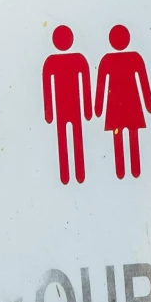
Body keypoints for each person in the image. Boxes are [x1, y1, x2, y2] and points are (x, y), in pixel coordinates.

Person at [93, 24, 151, 179]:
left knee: (120, 136)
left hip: (118, 105)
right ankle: (131, 170)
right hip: (129, 104)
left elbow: (101, 86)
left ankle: (126, 170)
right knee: (128, 136)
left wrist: (98, 108)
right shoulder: (133, 58)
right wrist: (148, 104)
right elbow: (143, 82)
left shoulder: (108, 60)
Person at [40, 26, 92, 185]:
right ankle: (70, 175)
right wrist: (88, 109)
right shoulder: (56, 62)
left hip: (67, 107)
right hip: (66, 107)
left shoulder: (65, 61)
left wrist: (49, 113)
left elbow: (85, 83)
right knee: (68, 138)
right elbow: (47, 88)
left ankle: (76, 175)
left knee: (70, 138)